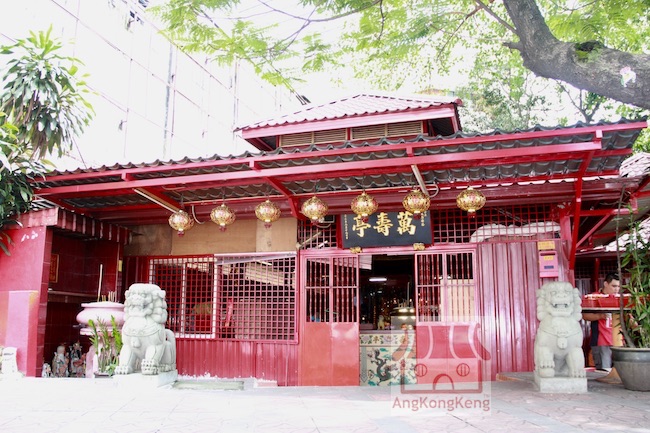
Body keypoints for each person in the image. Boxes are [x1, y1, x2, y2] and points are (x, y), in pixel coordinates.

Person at [582, 273, 621, 370]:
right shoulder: (594, 297)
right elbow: (584, 316)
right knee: (604, 372)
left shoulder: (620, 298)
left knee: (621, 373)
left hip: (619, 342)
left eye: (619, 286)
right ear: (605, 284)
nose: (616, 289)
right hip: (601, 341)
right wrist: (600, 316)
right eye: (614, 286)